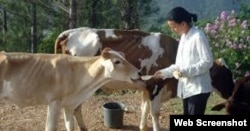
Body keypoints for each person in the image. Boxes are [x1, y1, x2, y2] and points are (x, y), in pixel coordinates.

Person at [153, 6, 214, 115]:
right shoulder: (184, 37)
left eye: (174, 27)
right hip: (187, 89)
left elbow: (207, 61)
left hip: (198, 88)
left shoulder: (198, 36)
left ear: (183, 24)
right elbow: (179, 65)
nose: (172, 30)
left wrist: (185, 72)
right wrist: (163, 73)